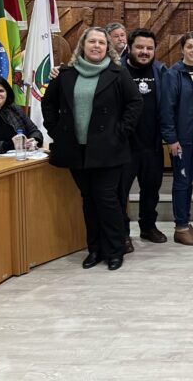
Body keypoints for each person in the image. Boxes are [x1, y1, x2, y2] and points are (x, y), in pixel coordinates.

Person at [42, 27, 142, 271]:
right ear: (82, 46)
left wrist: (120, 132)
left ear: (107, 47)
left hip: (108, 149)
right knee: (88, 200)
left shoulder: (118, 73)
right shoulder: (65, 74)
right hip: (76, 150)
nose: (97, 46)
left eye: (101, 42)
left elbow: (135, 104)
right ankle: (94, 249)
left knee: (107, 199)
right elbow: (49, 103)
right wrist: (57, 131)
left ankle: (115, 250)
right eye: (92, 42)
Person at [160, 31, 193, 246]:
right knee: (181, 180)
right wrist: (171, 139)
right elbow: (166, 109)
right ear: (182, 49)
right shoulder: (173, 74)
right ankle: (180, 227)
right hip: (182, 138)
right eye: (189, 47)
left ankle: (186, 220)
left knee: (190, 178)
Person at [119, 28, 168, 250]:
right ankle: (122, 234)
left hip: (152, 144)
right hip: (124, 146)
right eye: (139, 47)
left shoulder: (160, 71)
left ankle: (148, 227)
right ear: (129, 48)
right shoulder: (116, 70)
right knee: (120, 193)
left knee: (151, 190)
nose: (144, 52)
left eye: (149, 48)